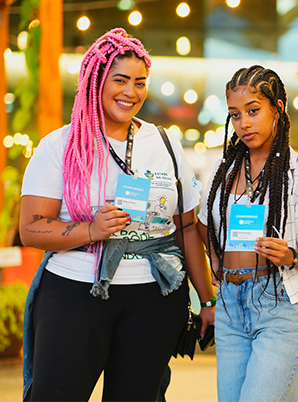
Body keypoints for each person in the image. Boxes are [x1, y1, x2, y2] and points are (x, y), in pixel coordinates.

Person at [20, 28, 215, 401]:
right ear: (95, 79)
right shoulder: (60, 145)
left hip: (153, 297)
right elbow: (30, 229)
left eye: (140, 82)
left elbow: (187, 228)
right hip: (75, 292)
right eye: (120, 80)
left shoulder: (165, 143)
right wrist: (90, 229)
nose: (131, 92)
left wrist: (205, 301)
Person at [197, 65, 298, 402]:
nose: (244, 123)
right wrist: (215, 258)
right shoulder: (222, 170)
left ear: (277, 109)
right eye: (235, 115)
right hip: (229, 305)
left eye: (253, 111)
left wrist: (290, 256)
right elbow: (202, 223)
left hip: (279, 303)